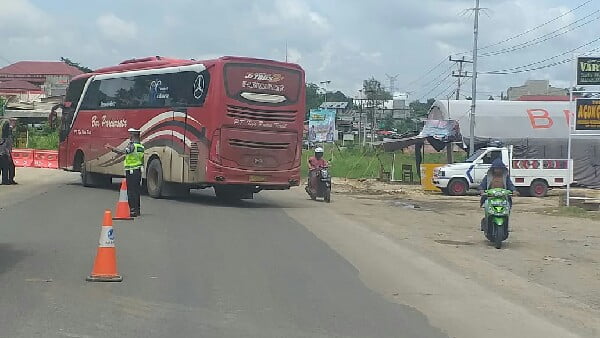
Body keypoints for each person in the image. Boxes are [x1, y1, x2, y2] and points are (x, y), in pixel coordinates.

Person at [105, 128, 145, 217]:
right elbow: (142, 159)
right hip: (138, 170)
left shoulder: (132, 146)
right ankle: (137, 210)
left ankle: (133, 210)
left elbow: (122, 152)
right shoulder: (141, 147)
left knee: (131, 191)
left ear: (132, 136)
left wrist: (111, 148)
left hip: (131, 171)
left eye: (130, 135)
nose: (129, 137)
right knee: (136, 190)